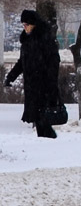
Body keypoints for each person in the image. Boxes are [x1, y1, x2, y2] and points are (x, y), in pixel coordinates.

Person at [4, 10, 62, 139]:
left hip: (44, 85)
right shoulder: (27, 41)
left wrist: (50, 82)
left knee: (43, 116)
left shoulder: (45, 39)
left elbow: (53, 62)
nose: (25, 28)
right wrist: (11, 77)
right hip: (32, 85)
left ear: (34, 24)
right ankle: (43, 140)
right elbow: (22, 62)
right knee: (37, 116)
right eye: (23, 25)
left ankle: (49, 141)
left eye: (26, 25)